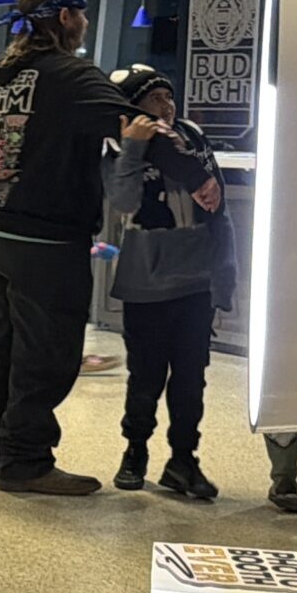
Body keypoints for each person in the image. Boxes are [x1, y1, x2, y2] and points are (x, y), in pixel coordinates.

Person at [0, 0, 208, 496]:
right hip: (44, 239)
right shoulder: (70, 74)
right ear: (66, 18)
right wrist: (198, 176)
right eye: (81, 14)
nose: (83, 23)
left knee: (2, 348)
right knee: (47, 354)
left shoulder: (5, 75)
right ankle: (25, 461)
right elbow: (139, 124)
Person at [103, 63, 233, 502]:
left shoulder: (191, 138)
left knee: (191, 379)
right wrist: (135, 147)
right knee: (146, 376)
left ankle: (183, 459)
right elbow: (123, 201)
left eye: (169, 96)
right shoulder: (118, 143)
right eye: (155, 99)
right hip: (146, 280)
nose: (167, 105)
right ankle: (135, 450)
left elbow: (218, 207)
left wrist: (225, 275)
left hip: (197, 279)